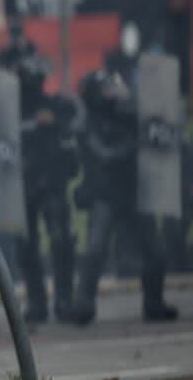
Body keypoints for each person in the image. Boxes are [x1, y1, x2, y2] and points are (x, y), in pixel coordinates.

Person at [70, 69, 177, 324]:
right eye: (107, 89)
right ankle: (84, 305)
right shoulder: (88, 123)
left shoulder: (127, 116)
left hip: (133, 193)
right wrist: (135, 145)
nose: (113, 93)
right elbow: (105, 154)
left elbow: (158, 134)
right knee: (95, 250)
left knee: (155, 251)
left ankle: (154, 304)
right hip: (105, 195)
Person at [12, 54, 78, 324]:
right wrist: (32, 125)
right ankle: (37, 302)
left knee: (61, 241)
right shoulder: (11, 110)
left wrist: (55, 121)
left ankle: (64, 299)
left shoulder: (55, 105)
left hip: (52, 183)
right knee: (27, 248)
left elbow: (75, 124)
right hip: (23, 183)